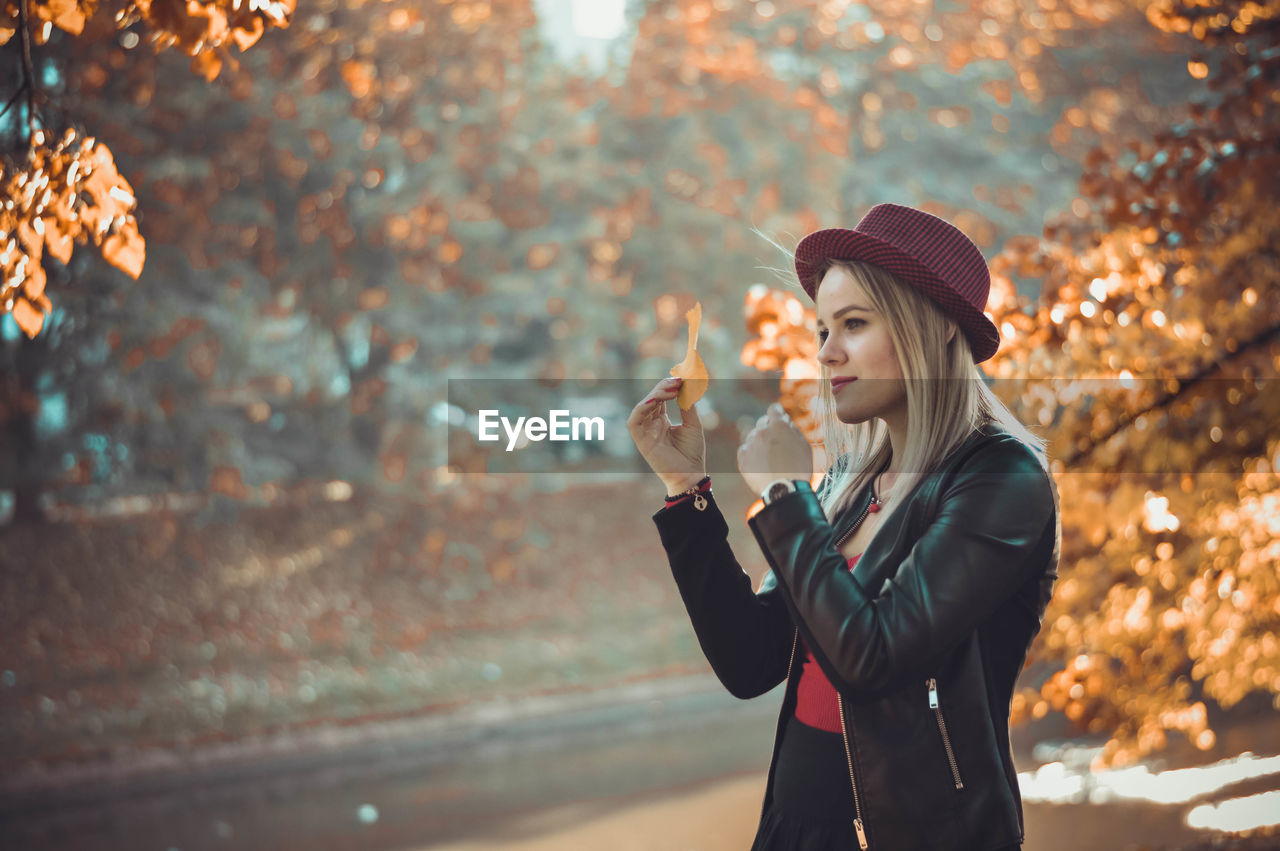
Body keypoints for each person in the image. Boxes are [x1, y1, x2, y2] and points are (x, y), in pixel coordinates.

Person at [627, 203, 1061, 850]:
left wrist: (783, 493)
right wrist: (686, 487)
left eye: (852, 325)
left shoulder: (1002, 481)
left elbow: (872, 657)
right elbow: (751, 659)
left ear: (934, 327)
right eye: (822, 330)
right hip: (793, 827)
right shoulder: (848, 484)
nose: (826, 354)